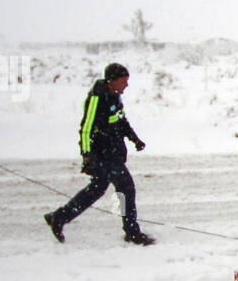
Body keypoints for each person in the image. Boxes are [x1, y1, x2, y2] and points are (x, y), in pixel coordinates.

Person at [44, 62, 155, 245]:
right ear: (112, 81)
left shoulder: (116, 96)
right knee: (126, 188)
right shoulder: (98, 97)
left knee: (96, 190)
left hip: (113, 152)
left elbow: (121, 121)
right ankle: (132, 232)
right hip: (103, 155)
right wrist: (87, 155)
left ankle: (59, 217)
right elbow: (86, 128)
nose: (126, 85)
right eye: (123, 81)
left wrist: (134, 139)